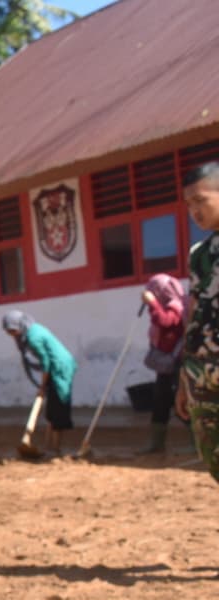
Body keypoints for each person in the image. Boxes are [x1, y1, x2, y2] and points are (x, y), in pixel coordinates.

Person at [177, 162, 219, 482]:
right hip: (201, 377)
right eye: (189, 204)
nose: (194, 211)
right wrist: (184, 378)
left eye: (200, 201)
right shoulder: (199, 254)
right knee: (213, 459)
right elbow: (194, 311)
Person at [2, 310, 77, 454]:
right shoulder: (29, 331)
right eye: (8, 331)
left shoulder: (33, 337)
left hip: (60, 369)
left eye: (13, 330)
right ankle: (48, 447)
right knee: (50, 411)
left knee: (58, 409)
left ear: (20, 325)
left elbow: (46, 362)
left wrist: (42, 386)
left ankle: (55, 448)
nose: (11, 335)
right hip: (54, 368)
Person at [139, 273, 188, 454]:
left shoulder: (177, 306)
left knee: (183, 401)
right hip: (165, 363)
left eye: (154, 289)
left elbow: (165, 321)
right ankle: (157, 444)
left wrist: (152, 303)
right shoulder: (165, 305)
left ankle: (197, 443)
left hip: (180, 361)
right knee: (160, 401)